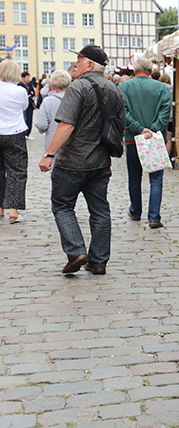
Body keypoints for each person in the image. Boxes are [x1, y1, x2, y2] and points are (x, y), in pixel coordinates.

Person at [39, 45, 125, 276]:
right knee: (100, 211)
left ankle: (76, 251)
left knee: (62, 205)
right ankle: (98, 262)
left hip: (71, 162)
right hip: (99, 163)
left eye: (79, 60)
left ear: (89, 65)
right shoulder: (115, 89)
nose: (75, 65)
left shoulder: (78, 86)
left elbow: (66, 125)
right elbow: (120, 127)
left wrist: (49, 154)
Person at [120, 57, 172, 229]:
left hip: (133, 139)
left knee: (134, 177)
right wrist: (152, 130)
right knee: (156, 179)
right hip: (156, 139)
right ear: (151, 71)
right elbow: (165, 114)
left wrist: (139, 129)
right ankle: (154, 217)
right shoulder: (163, 88)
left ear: (135, 71)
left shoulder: (124, 87)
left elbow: (123, 113)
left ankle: (135, 211)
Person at [0, 59, 29, 222]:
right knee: (16, 170)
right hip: (14, 131)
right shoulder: (19, 91)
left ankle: (0, 208)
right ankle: (13, 209)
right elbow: (24, 107)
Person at [34, 70, 73, 162]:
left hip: (54, 143)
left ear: (52, 85)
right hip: (74, 145)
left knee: (56, 172)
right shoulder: (76, 100)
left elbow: (41, 124)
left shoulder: (48, 101)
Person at [158, 72, 175, 159]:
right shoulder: (173, 89)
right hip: (171, 116)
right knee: (169, 138)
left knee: (159, 137)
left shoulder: (158, 88)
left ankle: (159, 156)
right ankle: (166, 158)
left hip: (160, 116)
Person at [19, 71, 36, 139]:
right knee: (23, 118)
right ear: (23, 78)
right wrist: (29, 93)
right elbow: (24, 94)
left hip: (30, 104)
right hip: (22, 105)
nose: (28, 79)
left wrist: (31, 94)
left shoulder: (30, 85)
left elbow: (33, 93)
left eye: (29, 77)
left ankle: (28, 133)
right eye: (27, 77)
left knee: (29, 119)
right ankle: (23, 133)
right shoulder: (20, 85)